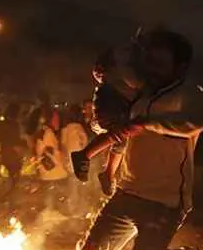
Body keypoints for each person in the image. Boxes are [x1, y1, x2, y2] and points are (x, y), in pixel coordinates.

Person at [45, 29, 203, 250]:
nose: (153, 66)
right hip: (127, 191)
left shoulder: (188, 93)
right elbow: (121, 129)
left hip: (165, 199)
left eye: (161, 61)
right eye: (150, 58)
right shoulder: (142, 93)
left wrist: (148, 124)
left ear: (180, 66)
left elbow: (193, 123)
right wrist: (89, 154)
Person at [70, 38, 144, 196]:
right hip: (112, 100)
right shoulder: (124, 60)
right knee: (121, 132)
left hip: (115, 101)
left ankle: (107, 174)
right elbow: (124, 79)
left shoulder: (126, 61)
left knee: (121, 140)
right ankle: (86, 156)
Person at [35, 107, 69, 212]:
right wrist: (63, 155)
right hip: (55, 175)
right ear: (49, 119)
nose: (58, 121)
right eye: (55, 118)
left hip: (47, 175)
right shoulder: (49, 134)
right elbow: (51, 154)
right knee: (55, 206)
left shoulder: (44, 132)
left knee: (49, 205)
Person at [60, 107, 90, 213]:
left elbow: (63, 146)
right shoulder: (80, 128)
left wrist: (65, 160)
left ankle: (72, 208)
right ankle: (81, 209)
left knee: (72, 186)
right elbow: (85, 143)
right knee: (80, 186)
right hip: (80, 160)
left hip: (70, 160)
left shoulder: (65, 129)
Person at [0, 103, 25, 194]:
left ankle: (9, 193)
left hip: (5, 151)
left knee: (11, 173)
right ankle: (11, 194)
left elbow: (0, 138)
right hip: (13, 151)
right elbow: (16, 139)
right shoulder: (14, 125)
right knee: (15, 174)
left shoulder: (2, 124)